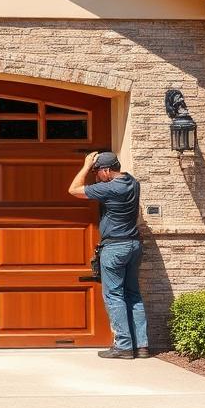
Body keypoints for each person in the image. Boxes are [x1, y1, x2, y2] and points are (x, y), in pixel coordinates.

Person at [68, 151, 149, 360]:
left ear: (105, 170)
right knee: (133, 294)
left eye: (96, 172)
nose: (95, 176)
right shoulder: (132, 182)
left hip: (115, 247)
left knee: (114, 295)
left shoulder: (110, 188)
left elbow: (73, 190)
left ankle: (123, 346)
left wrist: (86, 165)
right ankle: (141, 346)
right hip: (133, 245)